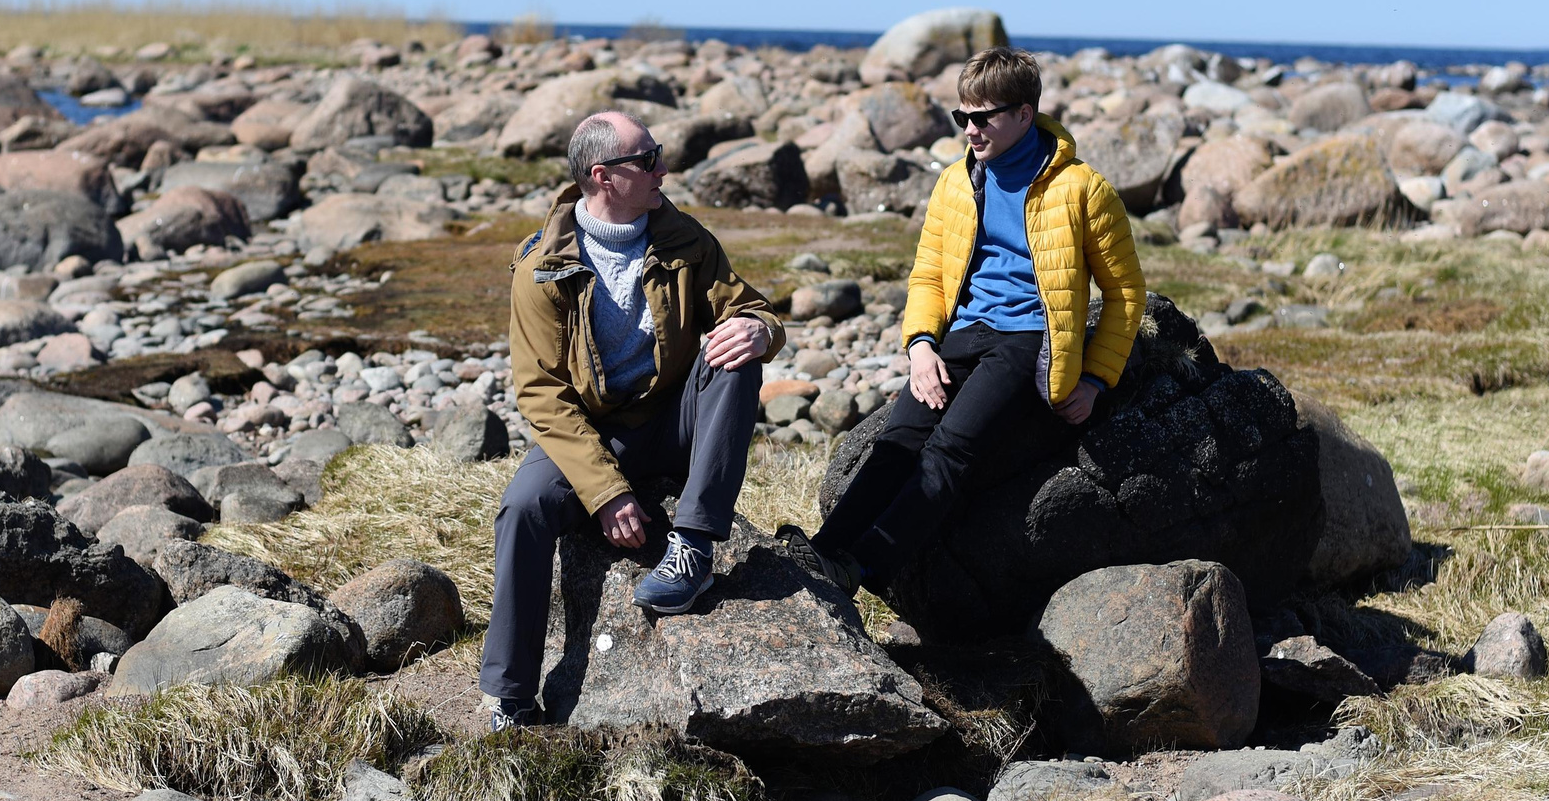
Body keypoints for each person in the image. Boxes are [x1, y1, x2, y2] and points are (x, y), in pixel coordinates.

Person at [805, 46, 1146, 606]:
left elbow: (1125, 292)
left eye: (982, 117)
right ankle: (823, 551)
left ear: (1024, 114)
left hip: (1028, 342)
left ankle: (864, 568)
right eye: (960, 116)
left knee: (951, 451)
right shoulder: (955, 184)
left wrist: (1095, 380)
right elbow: (928, 277)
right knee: (897, 440)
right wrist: (919, 346)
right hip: (961, 333)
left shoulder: (1084, 189)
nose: (969, 129)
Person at [480, 110, 784, 729]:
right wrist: (606, 492)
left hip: (671, 419)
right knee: (523, 508)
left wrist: (760, 329)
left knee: (734, 356)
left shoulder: (684, 238)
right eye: (648, 160)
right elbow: (541, 394)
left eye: (659, 154)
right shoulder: (541, 266)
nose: (663, 169)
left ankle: (694, 547)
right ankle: (510, 696)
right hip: (593, 433)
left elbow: (748, 306)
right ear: (603, 176)